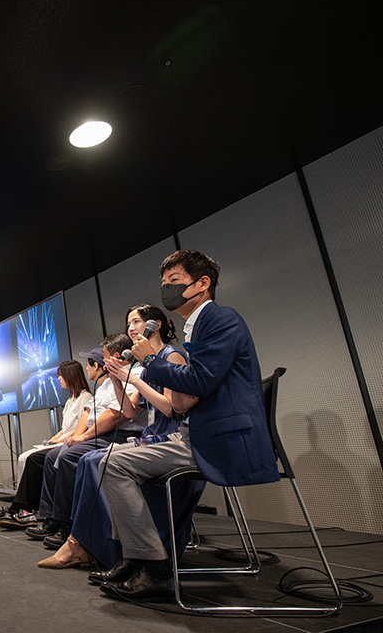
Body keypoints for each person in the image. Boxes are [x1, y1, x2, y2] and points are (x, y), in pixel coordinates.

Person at [96, 250, 279, 600]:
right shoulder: (197, 328)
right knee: (111, 461)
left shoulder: (222, 319)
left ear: (203, 283)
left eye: (174, 282)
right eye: (164, 284)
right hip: (191, 435)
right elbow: (182, 400)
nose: (166, 291)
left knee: (111, 462)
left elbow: (199, 381)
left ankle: (153, 565)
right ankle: (140, 558)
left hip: (219, 440)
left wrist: (149, 359)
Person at [37, 304, 205, 569]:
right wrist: (117, 379)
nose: (130, 328)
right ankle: (83, 542)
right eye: (128, 323)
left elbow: (171, 409)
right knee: (89, 460)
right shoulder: (149, 367)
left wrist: (133, 379)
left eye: (136, 322)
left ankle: (96, 547)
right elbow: (129, 408)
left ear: (155, 325)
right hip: (152, 436)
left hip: (169, 436)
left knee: (93, 461)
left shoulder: (171, 357)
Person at [25, 335, 146, 547]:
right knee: (54, 455)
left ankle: (69, 525)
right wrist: (75, 437)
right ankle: (53, 518)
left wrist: (84, 437)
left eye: (105, 357)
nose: (102, 363)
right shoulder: (107, 383)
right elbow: (88, 414)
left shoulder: (134, 374)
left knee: (69, 457)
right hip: (98, 432)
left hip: (118, 434)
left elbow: (115, 414)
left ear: (116, 356)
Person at [0, 360, 93, 529]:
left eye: (60, 376)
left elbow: (79, 429)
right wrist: (53, 439)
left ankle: (23, 509)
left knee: (33, 459)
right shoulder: (71, 399)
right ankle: (24, 508)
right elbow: (65, 428)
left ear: (70, 376)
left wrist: (58, 440)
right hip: (64, 439)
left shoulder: (86, 398)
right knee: (24, 457)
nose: (58, 379)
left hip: (71, 443)